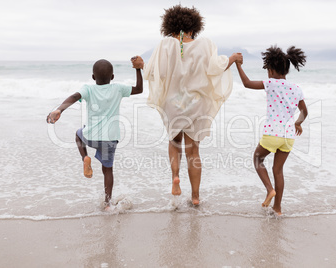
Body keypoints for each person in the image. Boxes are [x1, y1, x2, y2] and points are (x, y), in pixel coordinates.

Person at [137, 5, 242, 205]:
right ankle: (195, 197)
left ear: (170, 26)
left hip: (173, 104)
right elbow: (216, 67)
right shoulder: (205, 44)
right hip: (197, 104)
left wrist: (142, 65)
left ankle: (175, 178)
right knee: (193, 151)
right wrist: (233, 58)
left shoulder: (166, 44)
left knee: (174, 143)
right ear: (194, 27)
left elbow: (153, 72)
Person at [46, 58, 144, 211]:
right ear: (112, 77)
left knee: (78, 134)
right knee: (108, 170)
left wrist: (59, 109)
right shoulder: (118, 88)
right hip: (110, 139)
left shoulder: (88, 89)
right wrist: (138, 69)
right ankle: (107, 204)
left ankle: (85, 156)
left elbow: (73, 97)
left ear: (93, 77)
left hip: (90, 137)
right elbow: (139, 89)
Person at [235, 45, 308, 216]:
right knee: (278, 171)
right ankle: (278, 208)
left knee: (257, 159)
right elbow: (304, 111)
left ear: (272, 69)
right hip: (288, 137)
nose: (267, 73)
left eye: (268, 69)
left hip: (272, 133)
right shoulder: (296, 88)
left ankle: (269, 190)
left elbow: (246, 84)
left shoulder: (271, 84)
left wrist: (238, 65)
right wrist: (298, 123)